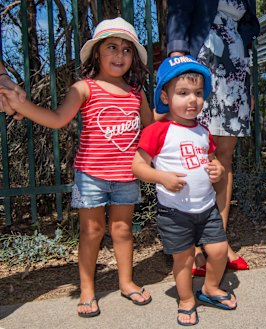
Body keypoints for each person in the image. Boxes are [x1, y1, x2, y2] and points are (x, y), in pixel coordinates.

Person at [0, 17, 154, 317]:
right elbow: (58, 119)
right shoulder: (85, 88)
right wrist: (21, 106)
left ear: (133, 57)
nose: (119, 54)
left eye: (126, 49)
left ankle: (126, 282)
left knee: (122, 230)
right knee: (92, 231)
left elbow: (151, 128)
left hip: (126, 175)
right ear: (97, 53)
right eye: (112, 47)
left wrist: (180, 111)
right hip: (91, 176)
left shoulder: (137, 94)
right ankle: (87, 290)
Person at [132, 55, 237, 326]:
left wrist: (219, 170)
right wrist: (161, 177)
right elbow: (138, 167)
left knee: (218, 250)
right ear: (165, 97)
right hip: (175, 212)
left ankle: (210, 288)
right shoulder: (158, 131)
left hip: (206, 208)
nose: (192, 99)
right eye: (183, 93)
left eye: (198, 93)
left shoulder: (203, 131)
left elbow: (212, 161)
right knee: (184, 258)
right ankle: (186, 299)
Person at [166, 0, 260, 276]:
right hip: (200, 61)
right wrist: (178, 64)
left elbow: (247, 27)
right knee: (193, 153)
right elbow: (179, 12)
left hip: (236, 67)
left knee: (224, 158)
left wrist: (248, 81)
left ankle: (218, 241)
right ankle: (192, 247)